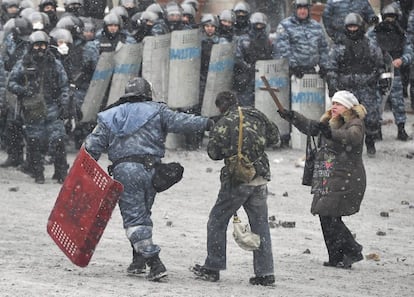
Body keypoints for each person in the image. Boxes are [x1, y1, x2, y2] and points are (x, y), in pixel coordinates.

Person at [84, 77, 214, 281]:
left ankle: (154, 262)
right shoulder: (157, 110)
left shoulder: (110, 116)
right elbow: (182, 122)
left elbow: (91, 147)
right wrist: (207, 123)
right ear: (147, 94)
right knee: (143, 213)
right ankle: (138, 262)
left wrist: (82, 174)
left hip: (125, 171)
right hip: (151, 170)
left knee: (135, 218)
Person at [191, 91, 280, 286]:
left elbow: (213, 153)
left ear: (221, 106)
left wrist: (231, 148)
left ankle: (213, 267)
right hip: (260, 176)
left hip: (238, 179)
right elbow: (275, 138)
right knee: (260, 225)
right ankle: (265, 272)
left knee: (217, 220)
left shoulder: (224, 122)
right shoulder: (257, 114)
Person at [278, 90, 366, 269]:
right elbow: (311, 127)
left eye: (338, 104)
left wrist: (330, 133)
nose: (334, 107)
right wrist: (293, 117)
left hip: (346, 176)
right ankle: (337, 256)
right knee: (325, 216)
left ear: (348, 107)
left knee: (329, 215)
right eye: (333, 103)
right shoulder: (330, 122)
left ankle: (352, 250)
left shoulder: (355, 123)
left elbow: (351, 137)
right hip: (329, 175)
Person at [7, 30, 71, 184]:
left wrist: (64, 103)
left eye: (43, 45)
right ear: (31, 46)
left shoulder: (55, 64)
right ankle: (38, 173)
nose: (40, 49)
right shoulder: (23, 63)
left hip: (52, 107)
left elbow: (64, 85)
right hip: (33, 109)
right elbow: (11, 83)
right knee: (35, 141)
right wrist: (24, 91)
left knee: (59, 140)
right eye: (37, 45)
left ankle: (61, 173)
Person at [327, 12, 385, 157]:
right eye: (350, 27)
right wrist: (333, 85)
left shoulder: (370, 45)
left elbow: (380, 65)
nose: (353, 30)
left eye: (355, 27)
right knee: (345, 117)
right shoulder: (339, 46)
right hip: (347, 88)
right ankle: (346, 145)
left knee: (371, 117)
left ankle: (370, 142)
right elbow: (331, 67)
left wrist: (383, 80)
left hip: (367, 86)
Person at [369, 4, 413, 141]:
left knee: (398, 101)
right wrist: (379, 60)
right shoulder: (374, 32)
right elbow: (368, 48)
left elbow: (410, 51)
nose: (390, 20)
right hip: (379, 72)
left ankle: (401, 128)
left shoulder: (401, 33)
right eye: (388, 17)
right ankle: (377, 130)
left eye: (392, 17)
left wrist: (402, 59)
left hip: (396, 73)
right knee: (378, 102)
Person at [272, 0, 329, 79]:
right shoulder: (285, 26)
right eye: (300, 8)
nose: (303, 11)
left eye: (305, 9)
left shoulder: (316, 26)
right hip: (291, 72)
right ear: (295, 10)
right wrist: (293, 66)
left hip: (311, 71)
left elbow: (323, 48)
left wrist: (323, 65)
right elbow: (283, 49)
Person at [233, 12, 272, 106]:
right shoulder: (243, 39)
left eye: (261, 25)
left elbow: (271, 57)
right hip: (246, 77)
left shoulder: (267, 41)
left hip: (262, 76)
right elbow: (238, 57)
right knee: (245, 104)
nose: (259, 27)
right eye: (256, 25)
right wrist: (248, 67)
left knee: (262, 103)